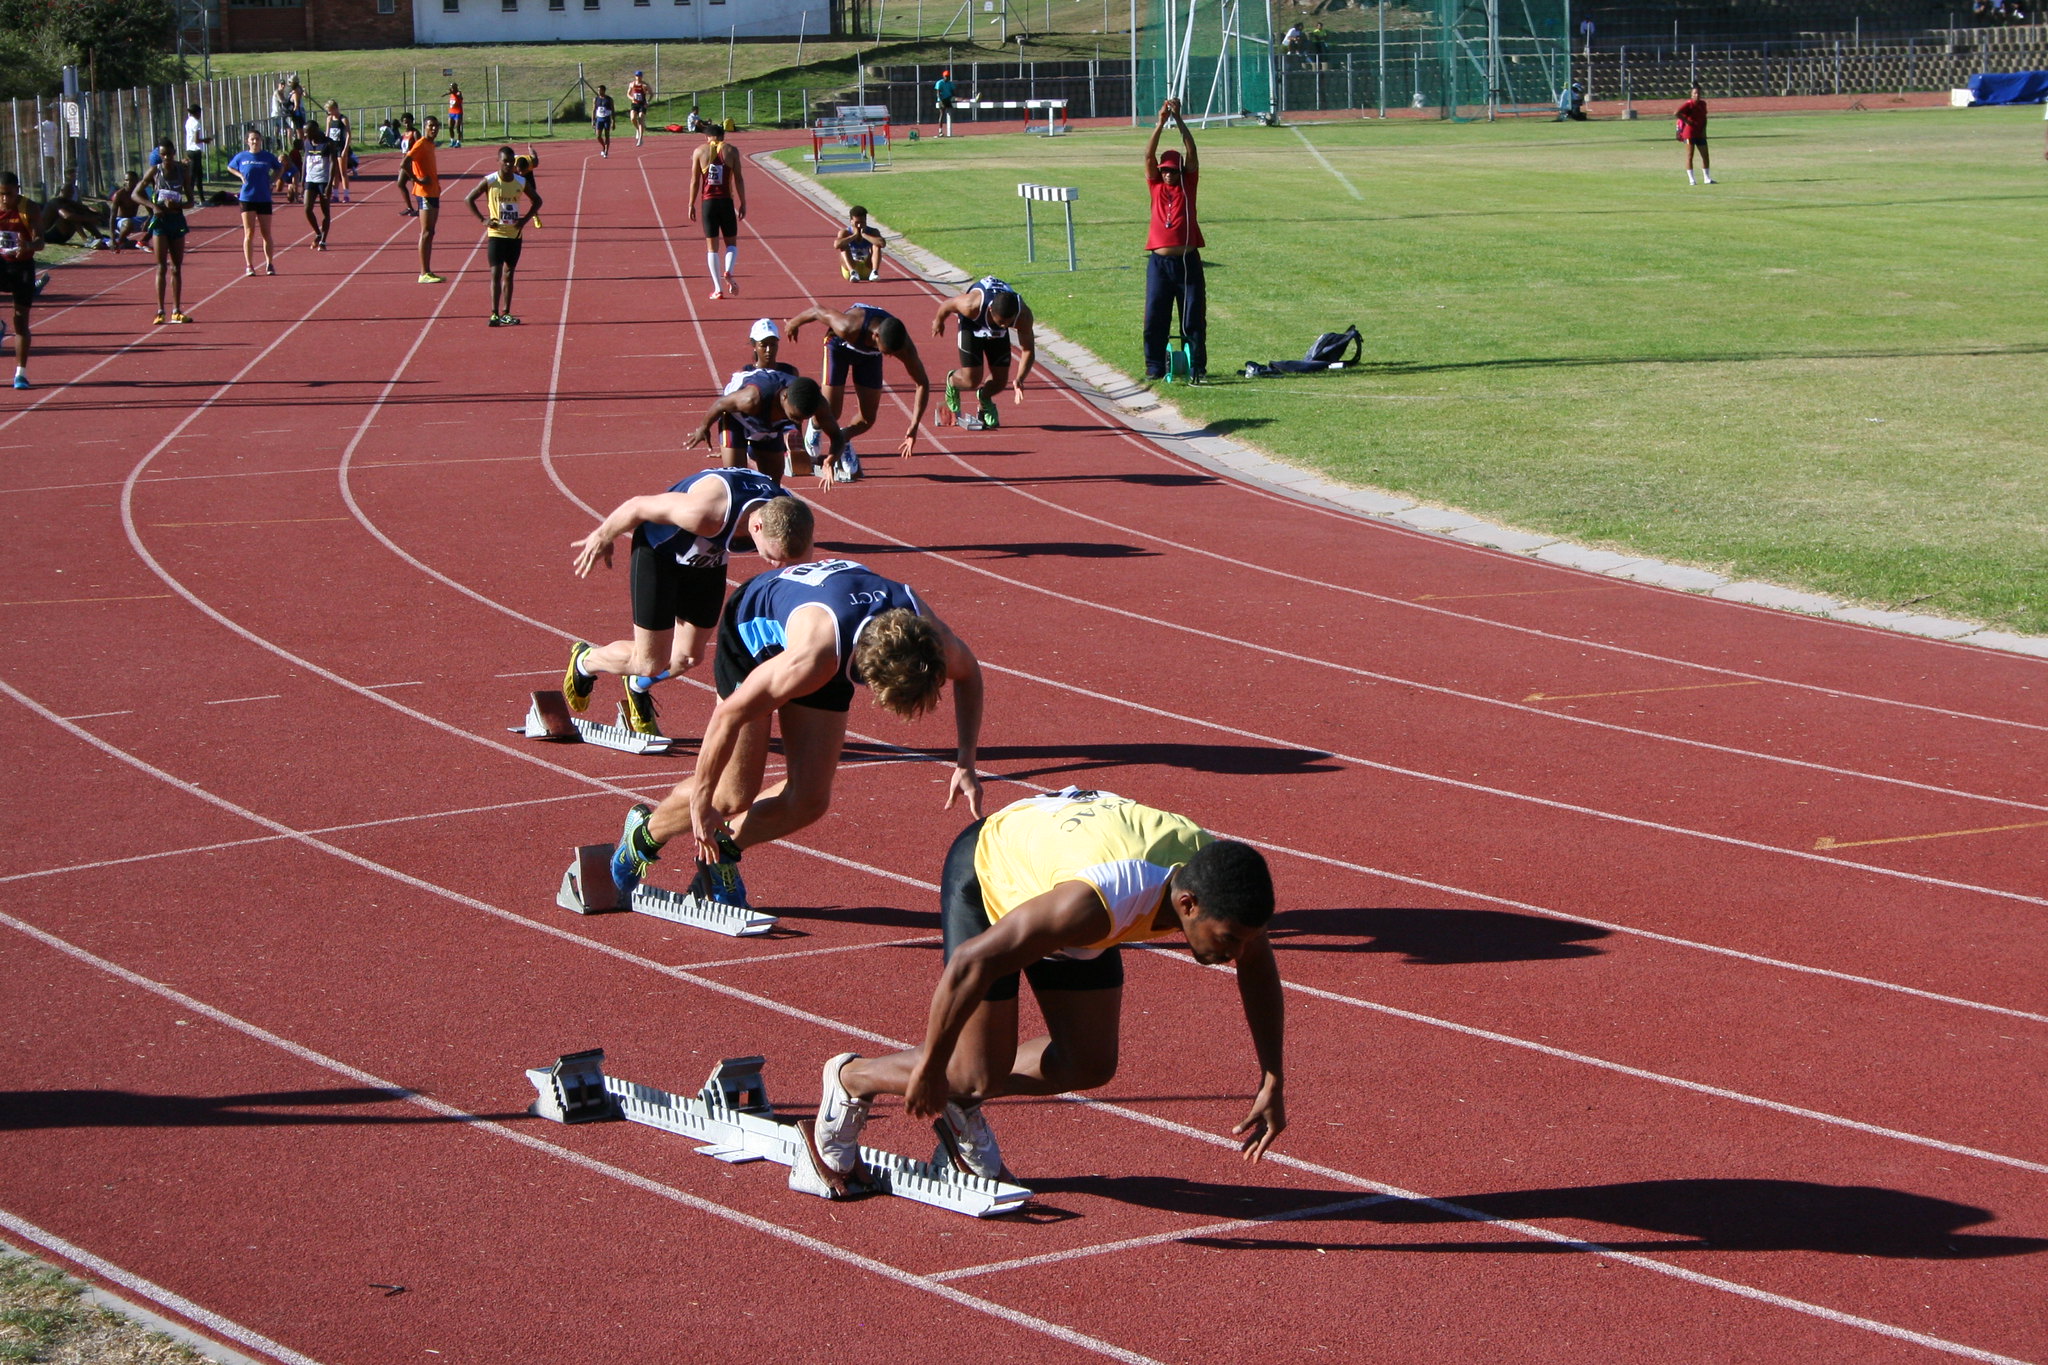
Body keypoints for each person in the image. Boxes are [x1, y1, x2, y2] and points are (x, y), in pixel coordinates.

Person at [800, 788, 1284, 1189]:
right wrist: (931, 1068)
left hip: (1064, 877)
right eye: (1228, 941)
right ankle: (852, 1078)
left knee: (1088, 1063)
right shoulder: (1095, 903)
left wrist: (1272, 1077)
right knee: (973, 1074)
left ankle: (958, 1096)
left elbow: (1257, 966)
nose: (1236, 953)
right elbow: (970, 964)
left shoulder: (1221, 884)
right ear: (1188, 903)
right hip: (993, 875)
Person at [607, 557, 986, 913]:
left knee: (808, 799)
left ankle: (723, 853)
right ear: (867, 672)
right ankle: (642, 837)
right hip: (755, 633)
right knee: (731, 794)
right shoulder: (812, 660)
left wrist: (965, 763)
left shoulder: (930, 637)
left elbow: (969, 674)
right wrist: (703, 801)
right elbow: (727, 717)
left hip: (832, 632)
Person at [566, 475, 814, 737]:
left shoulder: (793, 516)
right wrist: (603, 536)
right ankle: (585, 661)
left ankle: (636, 684)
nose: (775, 564)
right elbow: (637, 506)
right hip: (660, 553)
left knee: (688, 657)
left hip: (706, 560)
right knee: (650, 662)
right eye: (773, 556)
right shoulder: (705, 512)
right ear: (757, 527)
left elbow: (796, 571)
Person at [786, 301, 931, 480]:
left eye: (893, 353)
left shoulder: (902, 346)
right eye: (887, 352)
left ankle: (843, 439)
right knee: (832, 411)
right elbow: (818, 311)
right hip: (839, 346)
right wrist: (793, 323)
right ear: (876, 336)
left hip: (869, 356)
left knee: (868, 418)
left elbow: (922, 383)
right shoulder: (848, 326)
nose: (891, 356)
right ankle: (815, 428)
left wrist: (914, 425)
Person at [1142, 99, 1206, 383]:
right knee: (1155, 316)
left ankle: (1197, 367)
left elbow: (1192, 151)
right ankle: (1154, 366)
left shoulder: (1187, 184)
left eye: (1173, 170)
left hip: (1187, 261)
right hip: (1159, 263)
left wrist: (1179, 119)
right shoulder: (1155, 185)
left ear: (1181, 172)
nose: (1168, 174)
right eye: (1165, 169)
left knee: (1192, 317)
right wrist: (1159, 123)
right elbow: (1147, 156)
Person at [688, 368, 842, 483]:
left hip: (770, 426)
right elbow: (721, 404)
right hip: (736, 418)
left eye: (804, 419)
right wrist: (703, 428)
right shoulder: (751, 399)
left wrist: (831, 460)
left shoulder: (818, 403)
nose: (799, 422)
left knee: (772, 484)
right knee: (737, 479)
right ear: (785, 397)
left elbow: (837, 437)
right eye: (795, 417)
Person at [932, 276, 1034, 432]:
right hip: (972, 325)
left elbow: (1028, 349)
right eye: (1000, 322)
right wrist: (939, 321)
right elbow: (947, 305)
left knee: (1000, 381)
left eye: (1008, 323)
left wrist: (1020, 378)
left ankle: (984, 398)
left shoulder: (1023, 316)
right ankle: (952, 382)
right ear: (992, 310)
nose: (1004, 325)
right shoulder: (971, 305)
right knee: (971, 380)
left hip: (997, 334)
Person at [466, 145, 541, 326]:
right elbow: (469, 199)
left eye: (511, 161)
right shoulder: (490, 181)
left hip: (514, 235)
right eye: (505, 161)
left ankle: (506, 312)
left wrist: (524, 221)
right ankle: (494, 313)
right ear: (498, 161)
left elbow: (537, 201)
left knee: (509, 273)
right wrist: (483, 221)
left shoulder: (520, 182)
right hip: (496, 234)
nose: (508, 165)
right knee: (495, 273)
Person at [139, 139, 193, 325]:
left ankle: (177, 310)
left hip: (176, 220)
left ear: (174, 153)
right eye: (163, 155)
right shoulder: (155, 171)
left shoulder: (182, 172)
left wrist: (178, 204)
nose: (167, 158)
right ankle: (160, 310)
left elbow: (191, 202)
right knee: (161, 266)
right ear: (159, 155)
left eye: (169, 154)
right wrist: (153, 206)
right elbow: (135, 194)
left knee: (176, 267)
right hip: (160, 222)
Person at [689, 123, 745, 298]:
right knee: (731, 244)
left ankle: (718, 289)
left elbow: (694, 181)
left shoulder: (699, 151)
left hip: (708, 203)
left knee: (712, 248)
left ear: (707, 137)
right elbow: (739, 179)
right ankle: (728, 270)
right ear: (723, 136)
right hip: (726, 202)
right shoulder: (732, 151)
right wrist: (743, 202)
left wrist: (690, 204)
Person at [0, 172, 43, 389]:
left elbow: (40, 242)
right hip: (1, 263)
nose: (4, 199)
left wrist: (27, 246)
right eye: (1, 194)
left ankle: (20, 374)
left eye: (8, 194)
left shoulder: (29, 208)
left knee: (21, 321)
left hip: (22, 266)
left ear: (18, 189)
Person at [226, 129, 283, 277]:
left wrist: (273, 181)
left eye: (257, 139)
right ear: (247, 141)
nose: (255, 142)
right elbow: (230, 167)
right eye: (252, 139)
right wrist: (240, 175)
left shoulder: (267, 156)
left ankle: (269, 263)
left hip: (263, 197)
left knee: (266, 232)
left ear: (261, 140)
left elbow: (279, 168)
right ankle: (249, 265)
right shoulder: (241, 157)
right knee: (249, 232)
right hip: (247, 198)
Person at [400, 116, 444, 283]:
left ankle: (428, 270)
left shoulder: (430, 145)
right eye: (431, 126)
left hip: (433, 191)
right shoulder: (420, 144)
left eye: (436, 126)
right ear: (425, 127)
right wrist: (417, 180)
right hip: (424, 192)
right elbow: (404, 164)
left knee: (431, 232)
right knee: (426, 232)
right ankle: (423, 273)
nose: (434, 129)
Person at [299, 123, 337, 249]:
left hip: (323, 180)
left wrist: (330, 184)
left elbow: (333, 163)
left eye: (307, 132)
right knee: (307, 208)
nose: (305, 135)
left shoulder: (329, 143)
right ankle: (318, 233)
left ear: (315, 130)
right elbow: (305, 160)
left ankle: (323, 241)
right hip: (310, 179)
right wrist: (302, 179)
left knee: (325, 211)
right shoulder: (307, 142)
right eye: (304, 132)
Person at [834, 204, 885, 281]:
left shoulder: (873, 231)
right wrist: (854, 236)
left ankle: (874, 272)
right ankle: (853, 273)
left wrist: (864, 235)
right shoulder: (845, 232)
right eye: (856, 222)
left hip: (867, 267)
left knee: (876, 245)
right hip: (851, 267)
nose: (859, 225)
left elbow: (882, 244)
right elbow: (836, 245)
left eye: (862, 222)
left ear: (866, 221)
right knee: (843, 246)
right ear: (851, 221)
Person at [1677, 84, 1713, 184]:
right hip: (1689, 133)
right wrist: (1687, 121)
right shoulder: (1688, 104)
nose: (1697, 95)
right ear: (1691, 94)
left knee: (1705, 155)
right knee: (1690, 156)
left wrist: (1704, 131)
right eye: (1695, 93)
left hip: (1700, 133)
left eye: (1698, 93)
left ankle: (1707, 178)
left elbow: (1704, 118)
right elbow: (1677, 113)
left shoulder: (1703, 104)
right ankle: (1691, 179)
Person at [107, 173, 149, 250]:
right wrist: (112, 239)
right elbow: (112, 217)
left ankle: (144, 241)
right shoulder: (119, 194)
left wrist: (147, 221)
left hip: (134, 219)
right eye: (127, 180)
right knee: (128, 223)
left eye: (132, 180)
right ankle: (119, 242)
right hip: (121, 221)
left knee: (157, 220)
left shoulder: (141, 193)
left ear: (137, 182)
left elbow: (151, 212)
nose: (129, 183)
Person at [323, 101, 354, 203]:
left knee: (343, 172)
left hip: (341, 147)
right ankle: (335, 195)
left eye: (330, 110)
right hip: (332, 148)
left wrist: (345, 149)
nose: (329, 113)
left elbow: (349, 134)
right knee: (334, 172)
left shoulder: (343, 119)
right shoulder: (329, 119)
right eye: (328, 111)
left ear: (335, 108)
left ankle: (346, 195)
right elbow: (327, 133)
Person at [182, 104, 209, 196]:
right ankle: (192, 197)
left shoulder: (188, 121)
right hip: (195, 150)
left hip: (189, 149)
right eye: (199, 112)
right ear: (197, 113)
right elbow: (196, 140)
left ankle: (198, 197)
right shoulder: (196, 123)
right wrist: (205, 140)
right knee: (196, 175)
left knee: (195, 174)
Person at [397, 114, 421, 215]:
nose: (406, 124)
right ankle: (409, 207)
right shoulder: (403, 134)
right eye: (404, 122)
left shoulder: (415, 133)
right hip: (404, 163)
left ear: (412, 121)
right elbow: (403, 150)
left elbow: (420, 148)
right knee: (400, 183)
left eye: (408, 122)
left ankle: (421, 209)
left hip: (413, 162)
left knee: (415, 186)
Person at [628, 71, 652, 147]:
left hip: (642, 104)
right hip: (634, 103)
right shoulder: (632, 84)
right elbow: (628, 94)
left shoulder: (645, 85)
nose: (638, 77)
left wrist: (648, 102)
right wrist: (632, 97)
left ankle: (640, 139)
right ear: (635, 76)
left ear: (641, 77)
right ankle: (637, 129)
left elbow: (651, 94)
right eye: (636, 76)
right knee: (632, 118)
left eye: (639, 76)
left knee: (641, 118)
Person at [592, 84, 616, 157]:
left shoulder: (609, 99)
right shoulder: (595, 99)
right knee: (598, 136)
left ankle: (606, 151)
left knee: (607, 135)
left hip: (607, 118)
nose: (599, 92)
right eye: (598, 90)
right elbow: (593, 110)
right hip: (599, 119)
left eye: (600, 90)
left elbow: (613, 110)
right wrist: (593, 120)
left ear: (604, 90)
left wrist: (613, 121)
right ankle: (603, 146)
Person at [933, 69, 957, 136]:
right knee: (942, 114)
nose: (947, 77)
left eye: (948, 76)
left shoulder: (950, 83)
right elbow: (938, 93)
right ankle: (940, 131)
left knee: (950, 113)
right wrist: (941, 101)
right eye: (946, 76)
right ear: (943, 76)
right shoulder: (939, 83)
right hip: (942, 100)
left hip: (949, 99)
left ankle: (972, 100)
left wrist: (953, 98)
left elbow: (953, 92)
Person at [446, 83, 465, 148]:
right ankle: (452, 140)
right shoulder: (451, 93)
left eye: (453, 87)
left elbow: (460, 98)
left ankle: (458, 142)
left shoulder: (459, 93)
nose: (452, 88)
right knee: (450, 127)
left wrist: (454, 93)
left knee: (457, 128)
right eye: (451, 87)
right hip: (451, 112)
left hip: (458, 112)